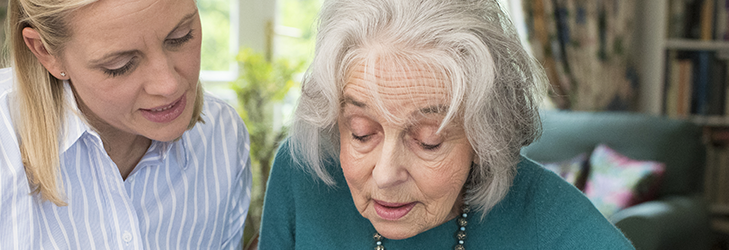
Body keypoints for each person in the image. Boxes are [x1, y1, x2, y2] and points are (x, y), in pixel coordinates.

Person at [0, 0, 251, 249]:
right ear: (46, 53)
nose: (168, 84)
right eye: (120, 65)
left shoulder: (222, 138)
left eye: (180, 37)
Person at [258, 0, 634, 249]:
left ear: (485, 138)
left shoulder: (546, 216)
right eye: (361, 133)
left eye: (428, 142)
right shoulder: (302, 172)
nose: (386, 174)